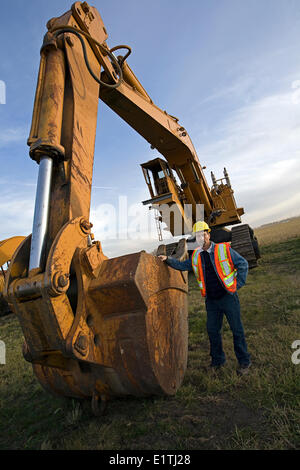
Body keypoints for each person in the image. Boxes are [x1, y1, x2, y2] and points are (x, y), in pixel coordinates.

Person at [158, 221, 251, 375]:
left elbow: (243, 264)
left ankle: (244, 362)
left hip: (228, 297)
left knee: (237, 331)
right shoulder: (196, 256)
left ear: (208, 234)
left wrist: (237, 284)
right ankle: (217, 361)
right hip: (212, 301)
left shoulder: (223, 249)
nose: (201, 237)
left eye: (203, 234)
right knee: (213, 331)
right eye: (198, 236)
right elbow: (183, 266)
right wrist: (167, 259)